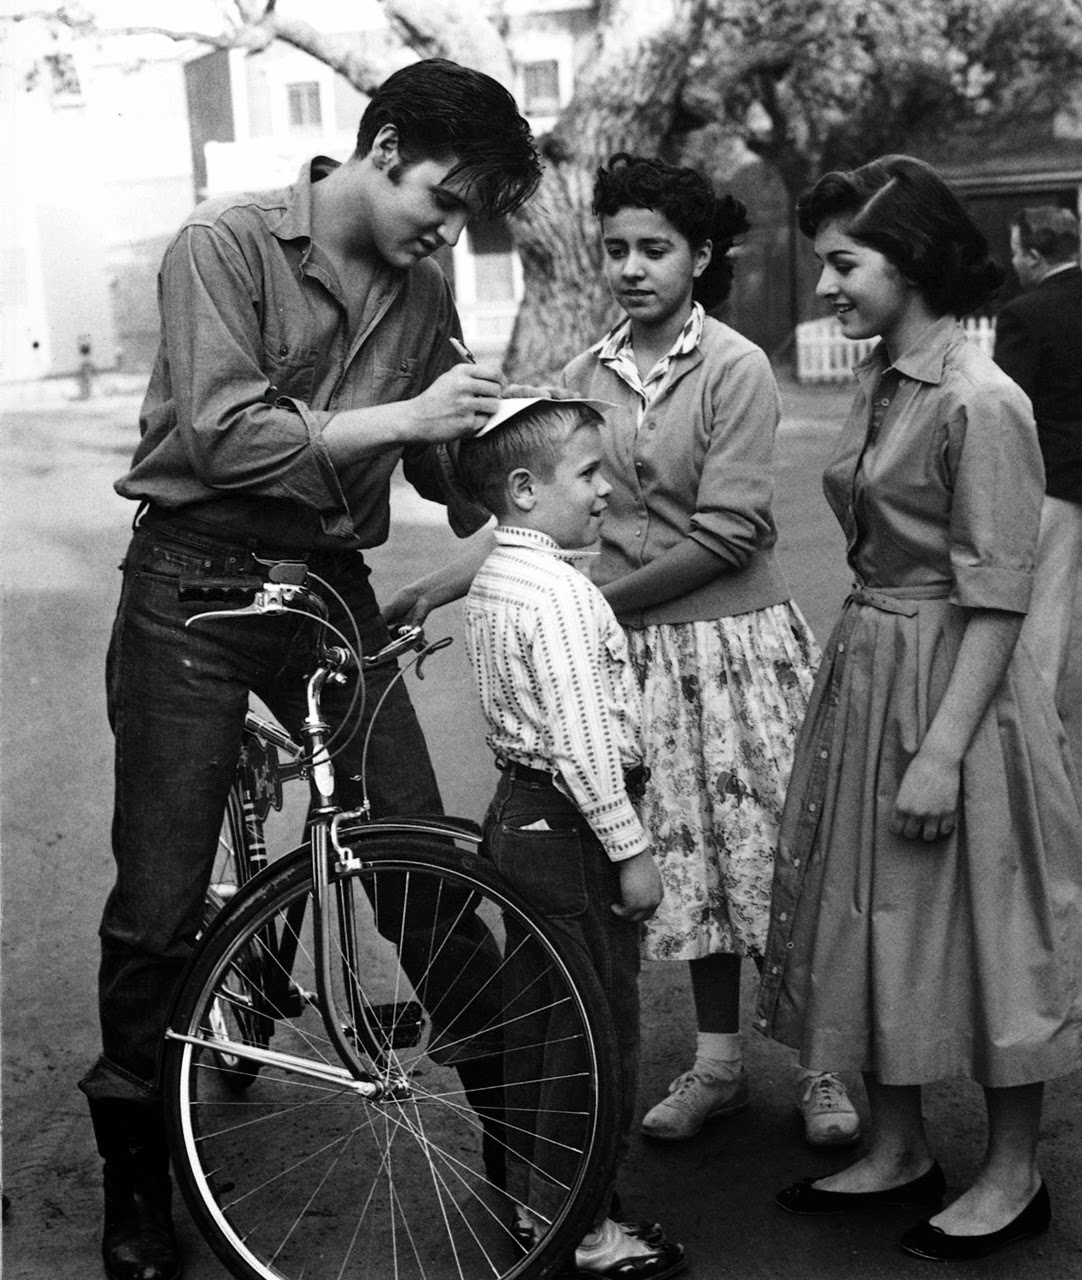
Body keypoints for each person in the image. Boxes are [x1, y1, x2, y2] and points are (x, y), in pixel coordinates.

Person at [81, 58, 541, 1280]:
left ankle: (520, 1153)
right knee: (162, 891)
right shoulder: (222, 246)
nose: (449, 228)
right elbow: (221, 435)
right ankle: (136, 1178)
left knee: (415, 848)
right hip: (191, 580)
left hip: (323, 577)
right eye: (445, 196)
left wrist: (501, 436)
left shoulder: (424, 277)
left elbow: (444, 474)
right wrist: (405, 420)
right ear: (383, 145)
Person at [757, 155, 1082, 1262]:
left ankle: (1010, 1172)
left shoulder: (980, 398)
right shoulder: (888, 377)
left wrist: (941, 751)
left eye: (844, 263)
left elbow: (997, 589)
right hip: (872, 666)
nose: (827, 286)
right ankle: (895, 1147)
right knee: (866, 913)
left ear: (908, 262)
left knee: (991, 929)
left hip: (956, 691)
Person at [557, 153, 860, 1149]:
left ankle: (821, 1062)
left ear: (699, 255)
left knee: (774, 856)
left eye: (655, 248)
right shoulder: (582, 373)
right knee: (686, 866)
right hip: (637, 661)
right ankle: (719, 1063)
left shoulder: (732, 364)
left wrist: (598, 597)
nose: (632, 267)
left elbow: (727, 532)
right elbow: (555, 507)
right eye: (616, 249)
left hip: (736, 648)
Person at [457, 397, 687, 1280]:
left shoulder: (499, 581)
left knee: (544, 1025)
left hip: (523, 815)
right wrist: (629, 850)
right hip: (573, 826)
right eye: (587, 474)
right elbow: (583, 743)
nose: (605, 491)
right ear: (523, 489)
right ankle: (583, 1230)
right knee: (597, 1035)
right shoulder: (557, 594)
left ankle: (536, 1196)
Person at [994, 205, 1082, 713]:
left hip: (1057, 478)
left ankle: (1037, 717)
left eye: (1014, 252)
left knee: (1048, 605)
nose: (1013, 263)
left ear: (1032, 255)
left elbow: (1011, 406)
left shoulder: (1025, 314)